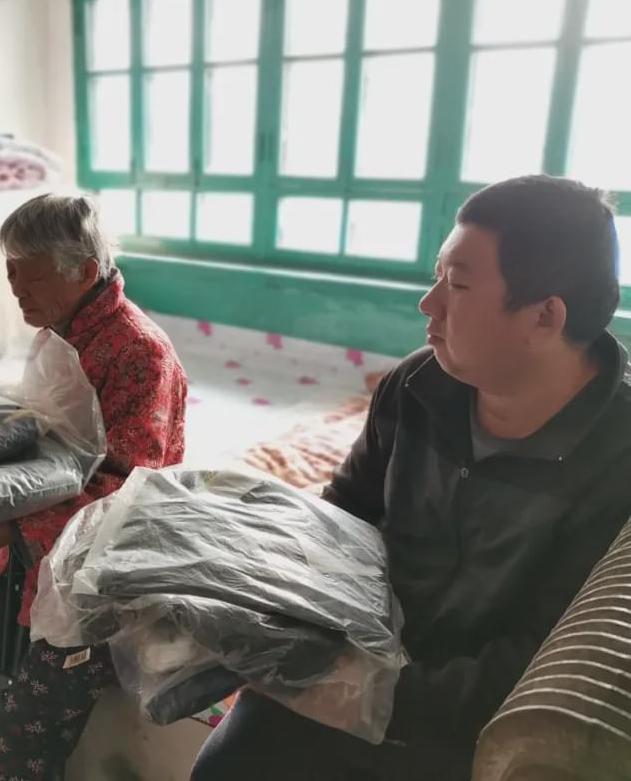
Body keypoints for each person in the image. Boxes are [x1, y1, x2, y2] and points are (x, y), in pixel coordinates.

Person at [192, 175, 631, 780]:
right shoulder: (416, 386)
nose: (429, 304)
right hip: (353, 658)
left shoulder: (616, 457)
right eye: (436, 275)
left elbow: (541, 659)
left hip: (462, 724)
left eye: (458, 284)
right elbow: (343, 516)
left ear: (544, 316)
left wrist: (358, 693)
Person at [0, 193, 188, 780]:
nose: (17, 289)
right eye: (10, 272)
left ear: (85, 272)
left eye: (33, 275)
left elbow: (128, 495)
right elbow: (49, 441)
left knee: (16, 747)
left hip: (99, 579)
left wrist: (8, 529)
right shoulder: (59, 331)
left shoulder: (141, 354)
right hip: (33, 555)